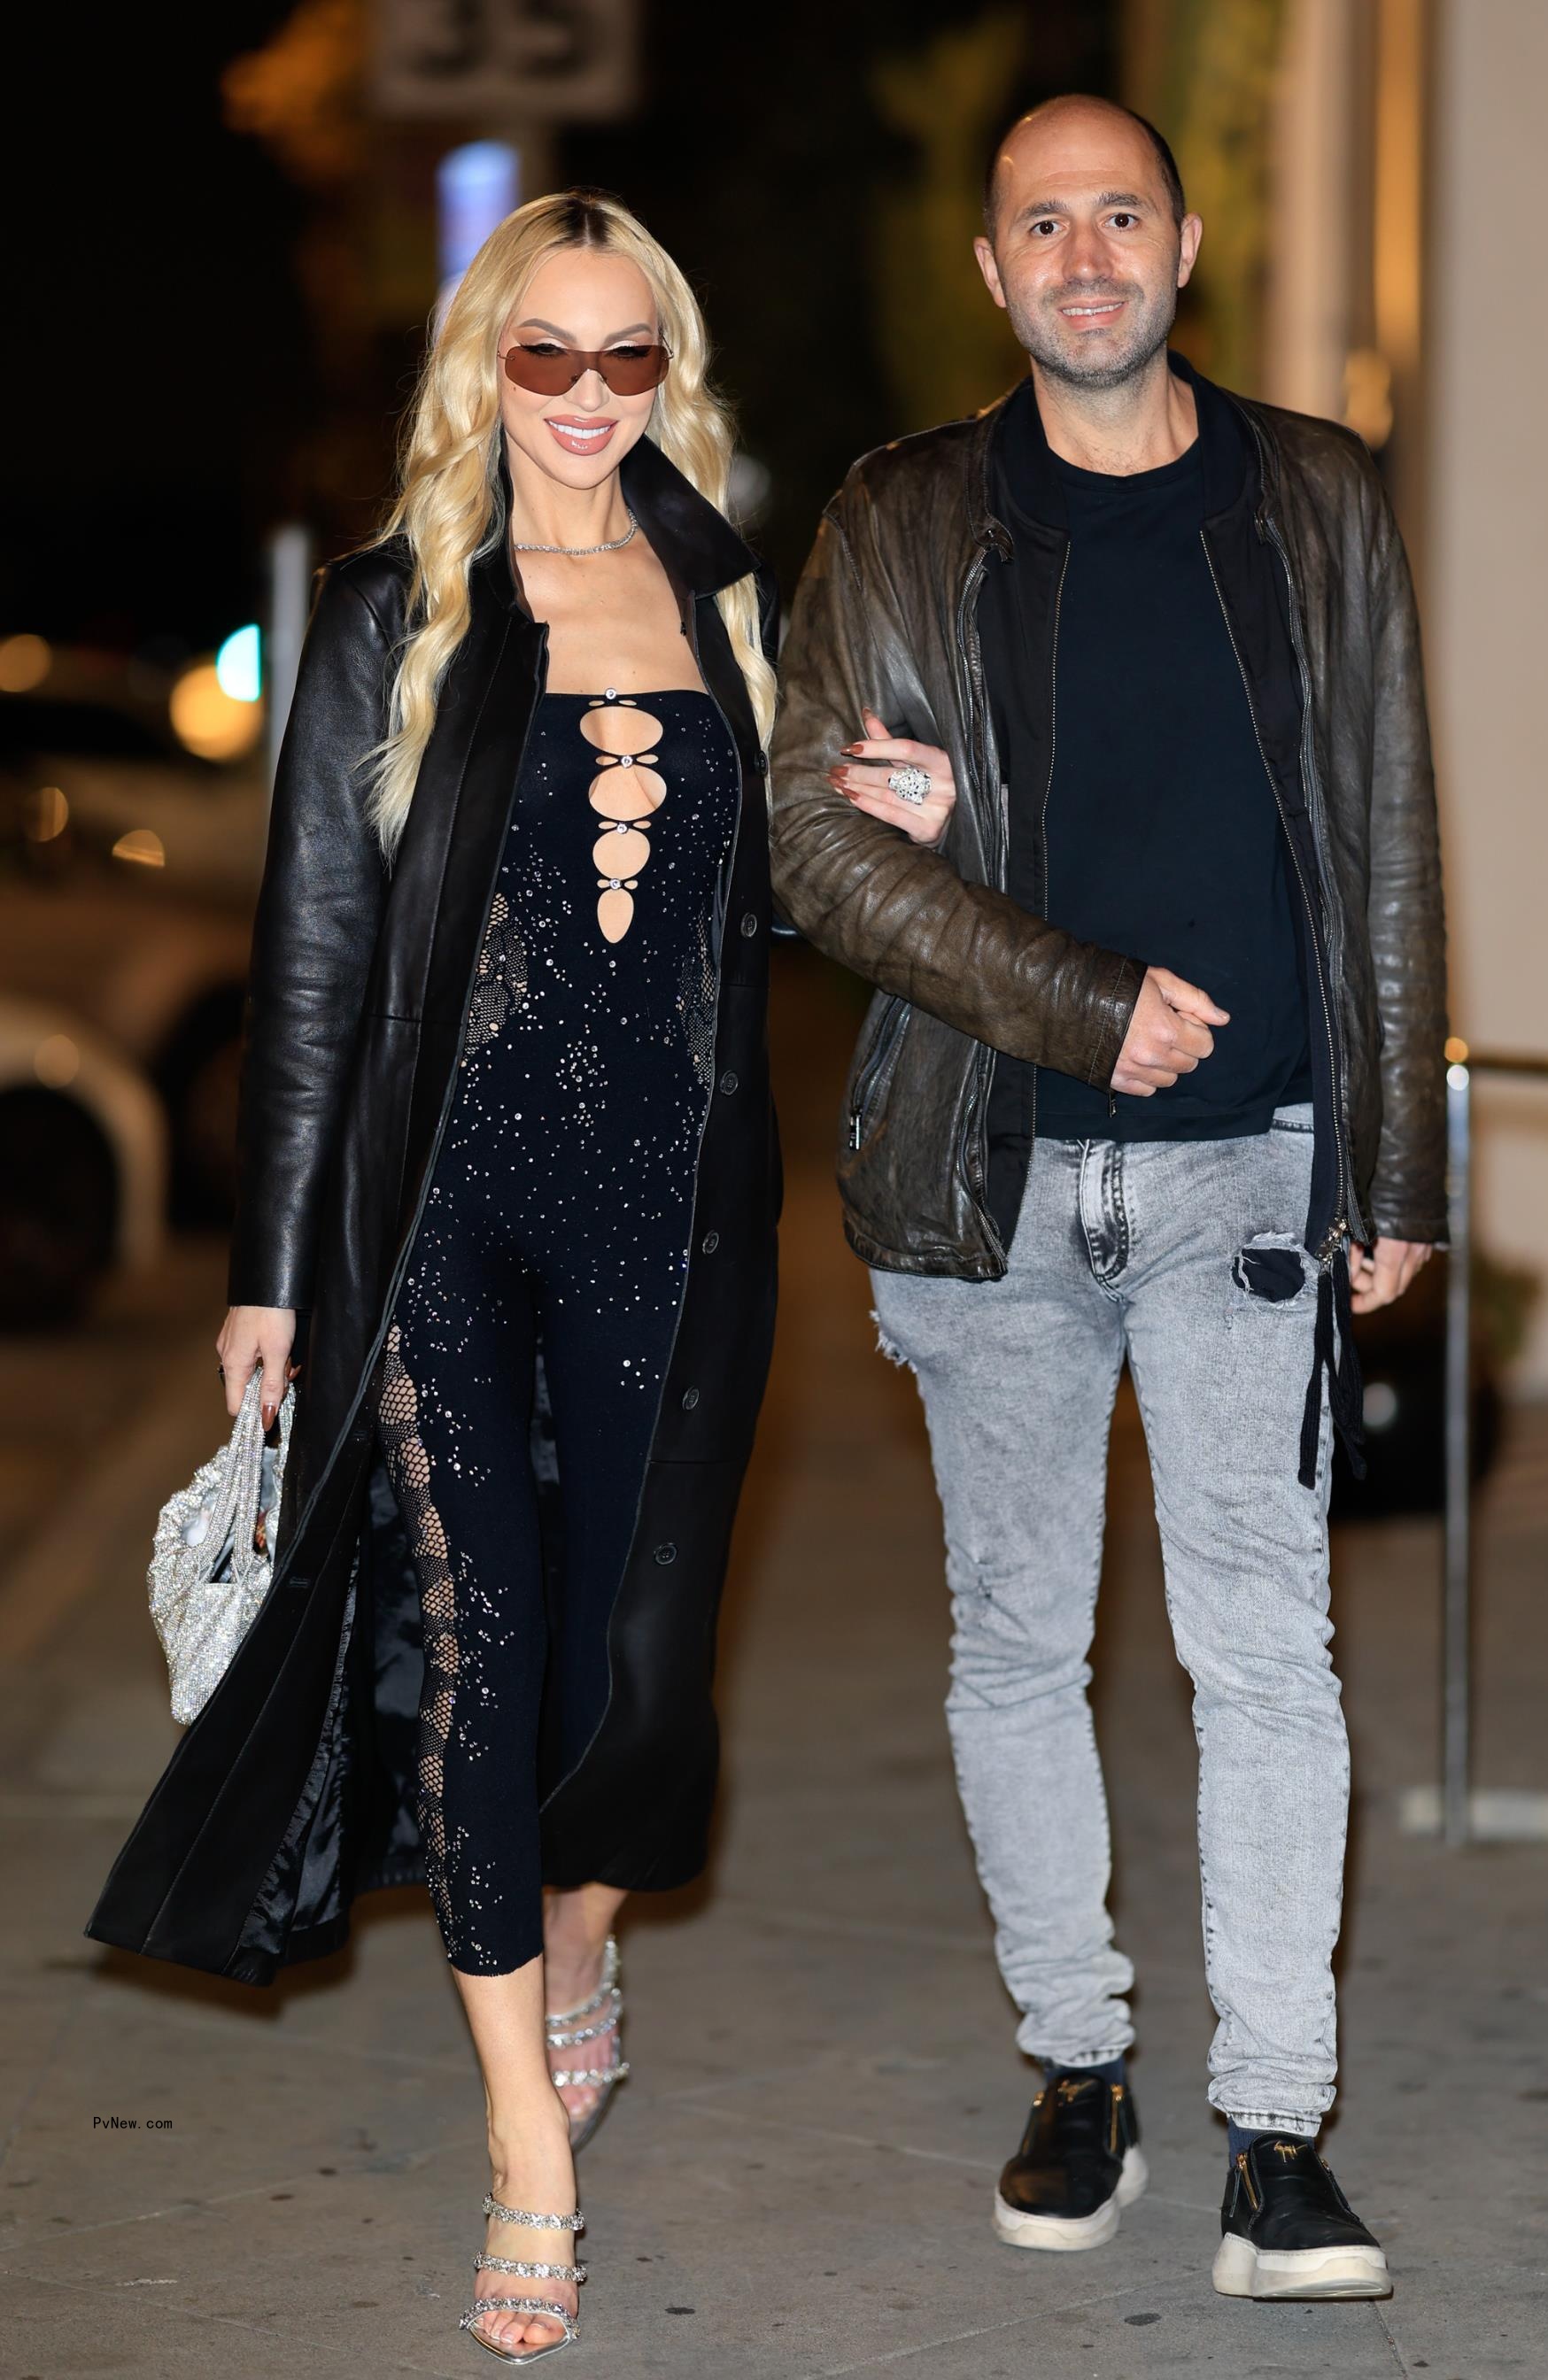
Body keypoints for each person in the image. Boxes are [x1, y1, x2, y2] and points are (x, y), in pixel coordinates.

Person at [85, 189, 783, 2361]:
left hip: (676, 1217)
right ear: (485, 367)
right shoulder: (398, 605)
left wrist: (890, 813)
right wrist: (274, 1263)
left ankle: (581, 1943)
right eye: (543, 358)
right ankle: (524, 2143)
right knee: (481, 1650)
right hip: (444, 1219)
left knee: (632, 1675)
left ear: (669, 372)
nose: (583, 402)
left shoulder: (727, 594)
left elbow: (767, 919)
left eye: (625, 359)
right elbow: (312, 958)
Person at [769, 95, 1445, 2304]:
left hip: (1253, 1165)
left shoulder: (1319, 496)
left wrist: (1397, 1159)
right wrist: (1078, 1000)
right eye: (1039, 222)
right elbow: (813, 846)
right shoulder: (897, 519)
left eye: (1118, 215)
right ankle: (1080, 2065)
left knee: (1266, 1650)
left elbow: (1389, 839)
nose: (1081, 254)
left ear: (1177, 251)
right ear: (991, 270)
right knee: (1015, 1649)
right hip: (993, 1177)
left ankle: (1277, 2131)